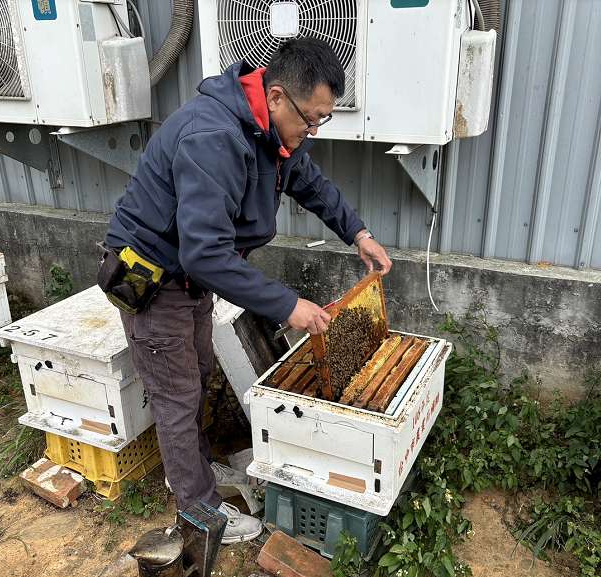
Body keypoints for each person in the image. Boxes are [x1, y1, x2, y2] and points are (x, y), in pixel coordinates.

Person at [101, 37, 392, 544]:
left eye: (324, 119)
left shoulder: (273, 130)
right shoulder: (211, 138)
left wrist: (359, 233)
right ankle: (198, 509)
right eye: (311, 118)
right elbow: (205, 253)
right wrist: (288, 305)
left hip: (191, 275)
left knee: (198, 374)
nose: (314, 130)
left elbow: (310, 182)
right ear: (276, 96)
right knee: (176, 393)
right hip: (153, 279)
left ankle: (196, 472)